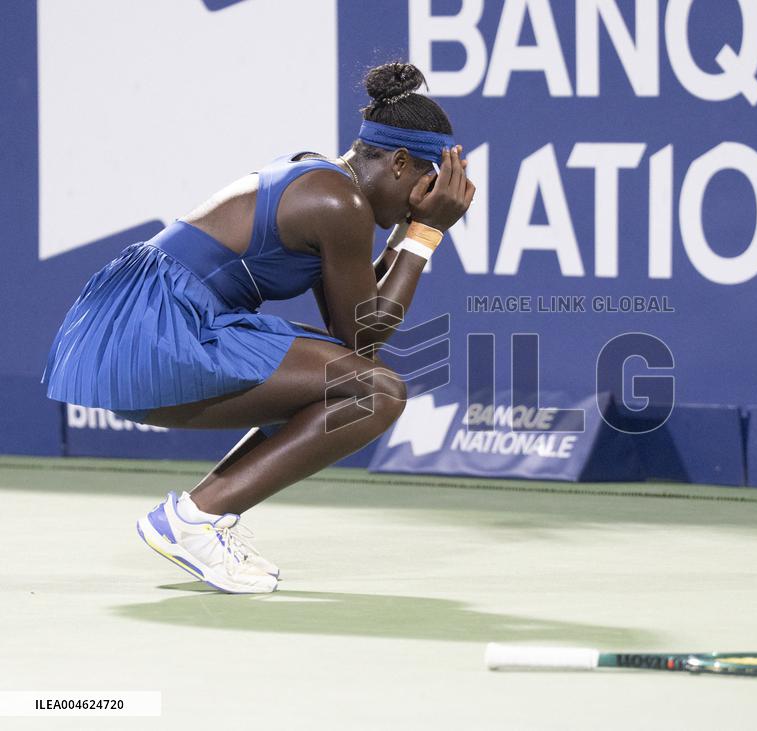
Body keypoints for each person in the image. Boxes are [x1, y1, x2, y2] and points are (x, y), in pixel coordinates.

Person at [40, 62, 475, 593]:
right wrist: (426, 232)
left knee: (347, 381)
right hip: (155, 329)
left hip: (144, 323)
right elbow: (367, 334)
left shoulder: (328, 183)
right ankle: (195, 520)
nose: (423, 203)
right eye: (428, 187)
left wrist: (411, 232)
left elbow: (352, 330)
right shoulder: (339, 202)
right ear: (401, 163)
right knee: (377, 393)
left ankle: (204, 517)